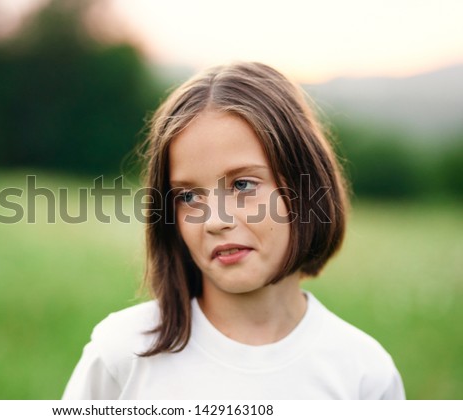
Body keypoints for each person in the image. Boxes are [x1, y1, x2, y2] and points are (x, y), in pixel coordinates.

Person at [62, 62, 405, 399]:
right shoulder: (123, 353)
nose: (214, 220)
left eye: (242, 184)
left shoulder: (364, 375)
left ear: (306, 189)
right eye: (188, 196)